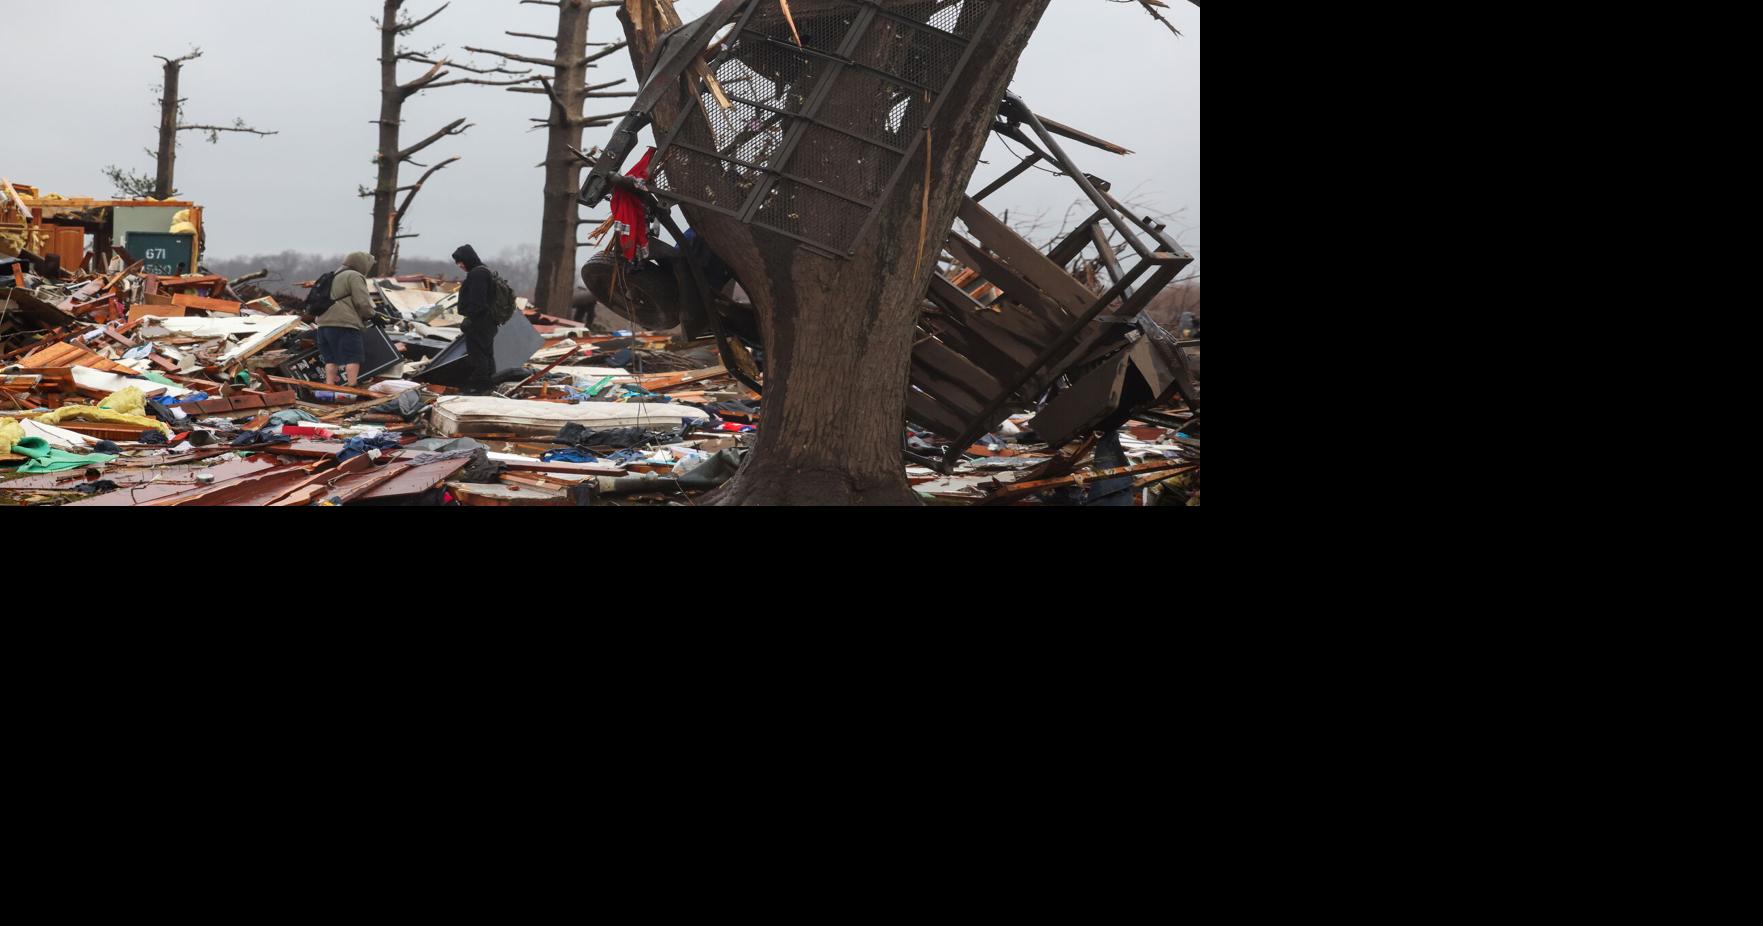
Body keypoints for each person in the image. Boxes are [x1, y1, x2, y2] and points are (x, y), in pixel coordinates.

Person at [312, 252, 376, 387]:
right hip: (344, 324)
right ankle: (352, 388)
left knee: (330, 359)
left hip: (323, 324)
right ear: (362, 263)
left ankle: (329, 388)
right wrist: (372, 315)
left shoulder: (331, 276)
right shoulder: (354, 276)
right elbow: (362, 302)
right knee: (353, 358)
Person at [453, 245, 500, 395]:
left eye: (460, 261)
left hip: (479, 323)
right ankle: (488, 385)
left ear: (468, 259)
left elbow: (478, 302)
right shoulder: (484, 271)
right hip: (488, 322)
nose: (459, 265)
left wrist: (470, 319)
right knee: (486, 354)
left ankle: (479, 388)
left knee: (478, 356)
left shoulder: (477, 274)